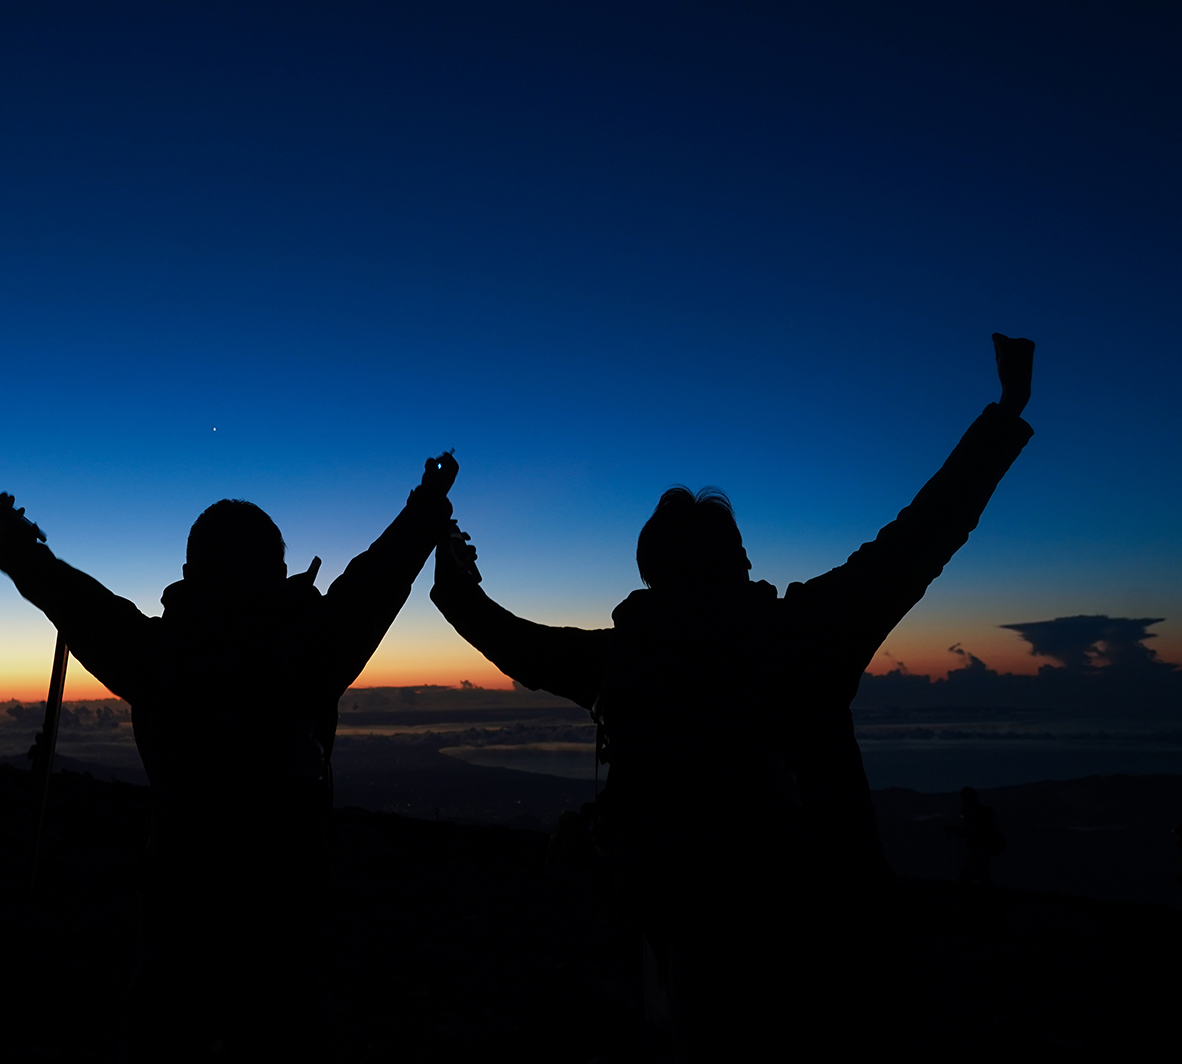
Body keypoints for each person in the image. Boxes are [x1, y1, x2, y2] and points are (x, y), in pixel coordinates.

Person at [430, 334, 1035, 1057]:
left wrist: (449, 565)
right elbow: (924, 534)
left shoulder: (620, 660)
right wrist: (1004, 413)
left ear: (652, 572)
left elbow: (496, 630)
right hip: (823, 938)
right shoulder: (803, 636)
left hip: (678, 926)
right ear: (738, 561)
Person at [0, 453, 459, 1060]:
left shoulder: (160, 654)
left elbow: (80, 604)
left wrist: (21, 548)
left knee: (166, 1047)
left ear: (190, 570)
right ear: (277, 568)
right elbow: (378, 579)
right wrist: (426, 503)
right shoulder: (310, 648)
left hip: (179, 910)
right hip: (284, 915)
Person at [949, 786, 1004, 889]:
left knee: (976, 874)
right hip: (986, 846)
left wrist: (956, 831)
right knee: (977, 873)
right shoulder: (981, 810)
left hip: (979, 847)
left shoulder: (971, 811)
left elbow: (972, 830)